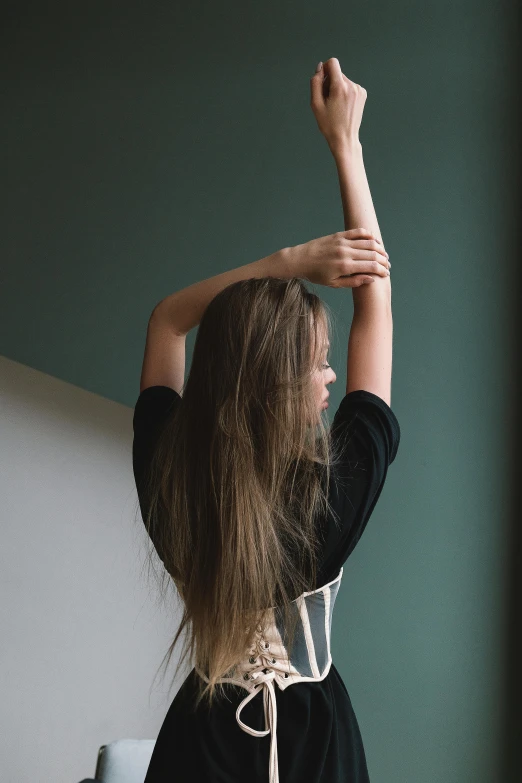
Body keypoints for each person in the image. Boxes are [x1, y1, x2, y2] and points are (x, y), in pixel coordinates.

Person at [132, 57, 399, 783]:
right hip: (318, 745)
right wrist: (347, 145)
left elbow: (168, 320)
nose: (331, 378)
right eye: (316, 363)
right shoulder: (328, 498)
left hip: (199, 742)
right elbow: (375, 308)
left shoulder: (173, 479)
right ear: (277, 388)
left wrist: (282, 264)